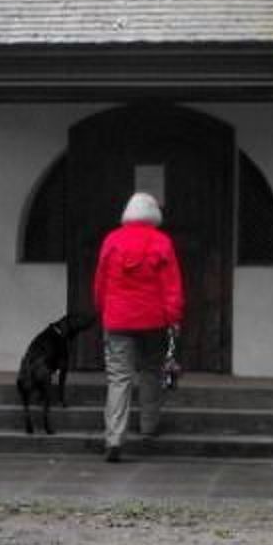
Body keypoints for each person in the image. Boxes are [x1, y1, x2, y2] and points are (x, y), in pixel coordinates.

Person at [92, 190, 184, 462]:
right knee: (151, 371)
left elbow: (100, 283)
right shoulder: (162, 242)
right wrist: (174, 318)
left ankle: (114, 439)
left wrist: (103, 309)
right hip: (153, 320)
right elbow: (172, 287)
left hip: (118, 320)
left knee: (118, 377)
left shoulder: (112, 240)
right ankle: (148, 425)